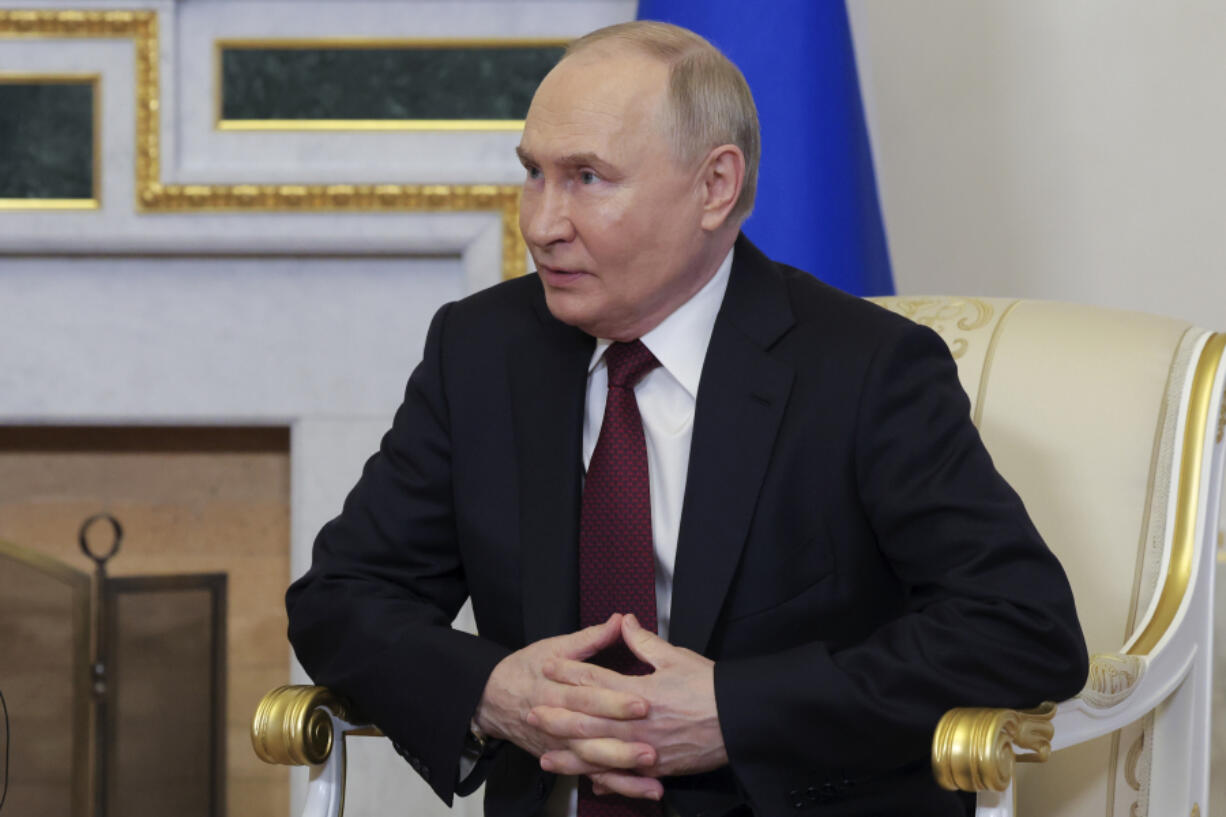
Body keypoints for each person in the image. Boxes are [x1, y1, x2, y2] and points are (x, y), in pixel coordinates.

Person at [286, 20, 1087, 817]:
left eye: (588, 178)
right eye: (533, 173)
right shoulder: (481, 351)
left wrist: (734, 712)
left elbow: (1021, 628)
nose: (540, 223)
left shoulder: (866, 370)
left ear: (715, 187)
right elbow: (340, 597)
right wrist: (491, 690)